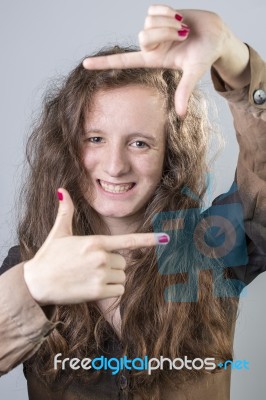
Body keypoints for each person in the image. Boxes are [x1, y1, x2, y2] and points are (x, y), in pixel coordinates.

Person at [0, 4, 265, 400]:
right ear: (69, 147)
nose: (115, 165)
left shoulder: (215, 245)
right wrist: (32, 288)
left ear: (169, 154)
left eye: (140, 143)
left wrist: (240, 69)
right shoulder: (27, 265)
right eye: (95, 139)